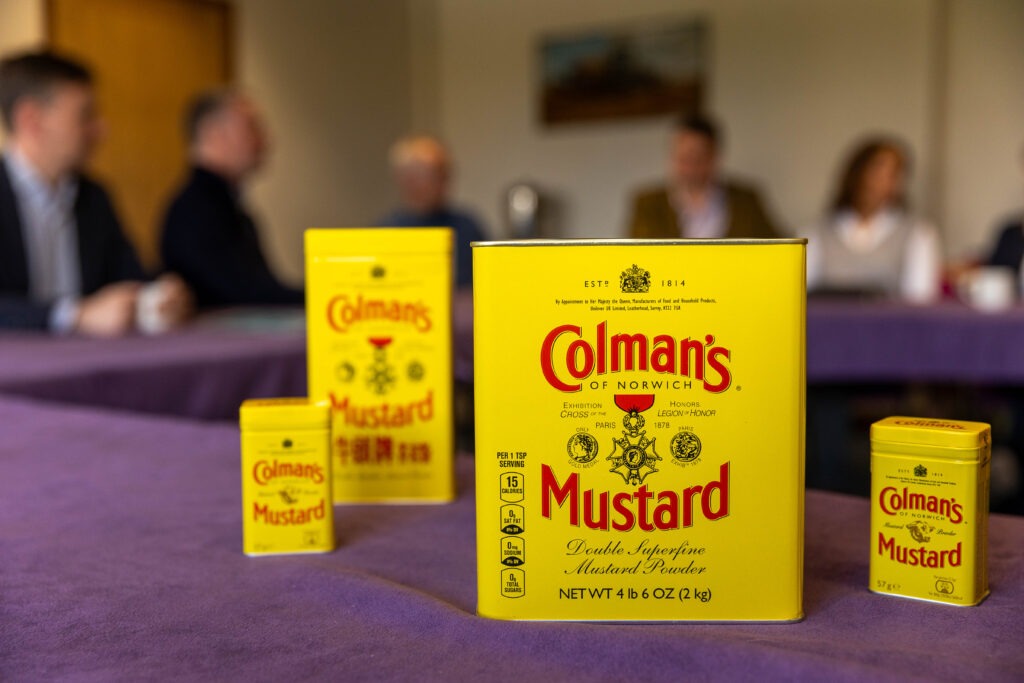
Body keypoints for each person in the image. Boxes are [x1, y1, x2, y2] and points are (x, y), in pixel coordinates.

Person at [0, 50, 191, 336]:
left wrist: (161, 293)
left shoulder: (94, 198)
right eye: (85, 115)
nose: (101, 129)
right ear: (32, 120)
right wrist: (75, 315)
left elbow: (131, 275)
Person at [160, 89, 302, 308]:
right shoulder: (195, 212)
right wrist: (322, 296)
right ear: (214, 134)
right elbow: (245, 295)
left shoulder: (230, 208)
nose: (265, 139)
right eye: (252, 127)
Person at [805, 137, 941, 302]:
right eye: (876, 170)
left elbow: (920, 298)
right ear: (856, 173)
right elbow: (802, 292)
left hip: (888, 326)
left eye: (892, 174)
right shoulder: (817, 232)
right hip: (828, 324)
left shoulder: (918, 232)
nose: (882, 181)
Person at [627, 114, 780, 240]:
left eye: (698, 157)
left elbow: (778, 247)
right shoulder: (647, 203)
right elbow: (636, 256)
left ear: (714, 157)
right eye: (683, 157)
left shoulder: (746, 201)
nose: (690, 166)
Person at [379, 135, 487, 289]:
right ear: (405, 179)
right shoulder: (385, 234)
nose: (443, 181)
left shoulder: (468, 227)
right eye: (431, 174)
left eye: (444, 173)